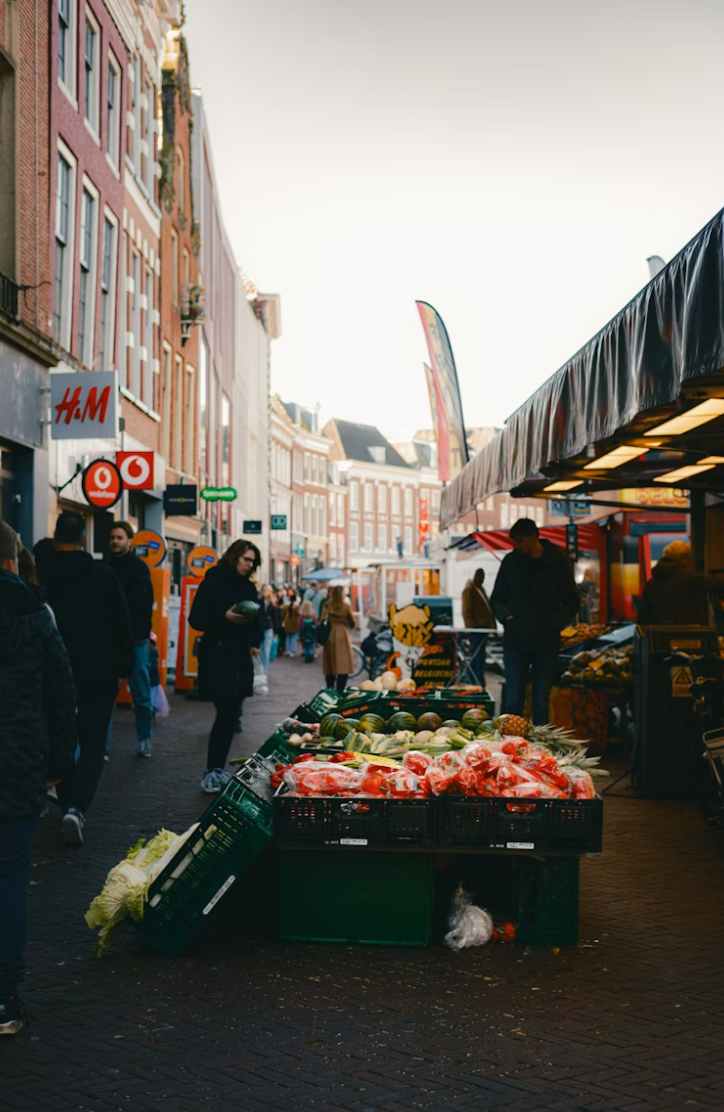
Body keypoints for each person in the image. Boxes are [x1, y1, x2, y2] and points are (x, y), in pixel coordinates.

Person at [0, 522, 77, 1034]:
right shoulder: (33, 610)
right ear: (12, 560)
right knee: (8, 877)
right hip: (17, 761)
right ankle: (4, 999)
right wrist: (57, 763)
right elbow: (61, 690)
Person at [37, 512, 134, 845]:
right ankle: (76, 808)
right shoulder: (102, 575)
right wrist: (125, 667)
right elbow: (122, 624)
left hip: (50, 673)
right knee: (93, 744)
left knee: (60, 741)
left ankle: (65, 799)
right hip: (98, 671)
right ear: (83, 539)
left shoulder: (40, 572)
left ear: (55, 535)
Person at [188, 540, 264, 793]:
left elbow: (257, 622)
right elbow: (196, 619)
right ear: (234, 558)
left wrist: (255, 637)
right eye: (246, 559)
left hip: (240, 662)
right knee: (225, 715)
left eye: (253, 561)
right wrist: (225, 617)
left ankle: (216, 770)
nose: (250, 565)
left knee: (230, 716)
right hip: (218, 659)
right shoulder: (212, 583)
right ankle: (213, 771)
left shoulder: (249, 588)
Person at [491, 518, 580, 726]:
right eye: (514, 542)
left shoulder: (557, 561)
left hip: (545, 641)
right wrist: (507, 618)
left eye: (521, 541)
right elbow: (496, 599)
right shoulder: (511, 562)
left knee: (541, 702)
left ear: (534, 537)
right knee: (513, 703)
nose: (517, 547)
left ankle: (540, 751)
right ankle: (509, 749)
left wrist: (554, 624)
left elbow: (572, 600)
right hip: (515, 640)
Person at [106, 521, 155, 757]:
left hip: (135, 640)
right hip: (112, 641)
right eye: (112, 537)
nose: (115, 541)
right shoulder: (105, 567)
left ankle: (144, 739)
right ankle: (101, 745)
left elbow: (143, 604)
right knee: (105, 696)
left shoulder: (139, 568)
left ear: (129, 541)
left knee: (141, 695)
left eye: (119, 537)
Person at [638, 541, 722, 625]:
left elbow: (643, 619)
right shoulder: (691, 579)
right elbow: (718, 584)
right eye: (689, 559)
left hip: (660, 636)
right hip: (690, 635)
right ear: (684, 560)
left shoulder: (651, 584)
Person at [461, 568, 496, 686]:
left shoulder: (480, 589)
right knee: (477, 656)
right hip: (476, 629)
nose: (482, 580)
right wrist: (472, 627)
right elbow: (467, 611)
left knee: (479, 656)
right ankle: (475, 680)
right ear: (475, 576)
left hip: (482, 629)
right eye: (480, 577)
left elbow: (488, 609)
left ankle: (476, 680)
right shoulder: (469, 591)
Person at [321, 585, 356, 692]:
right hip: (342, 635)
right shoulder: (346, 606)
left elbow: (322, 620)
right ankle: (340, 691)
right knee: (343, 664)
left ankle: (330, 689)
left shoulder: (327, 606)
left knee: (330, 664)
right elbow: (352, 623)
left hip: (330, 635)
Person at [259, 584, 279, 674]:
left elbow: (275, 618)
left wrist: (276, 631)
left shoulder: (272, 602)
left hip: (269, 628)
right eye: (263, 590)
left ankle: (265, 672)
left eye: (266, 590)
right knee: (259, 652)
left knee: (266, 652)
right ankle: (260, 670)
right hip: (259, 628)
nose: (264, 592)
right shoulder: (258, 602)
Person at [284, 591, 301, 656]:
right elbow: (299, 614)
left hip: (287, 623)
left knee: (288, 637)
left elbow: (283, 614)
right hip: (294, 623)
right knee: (293, 637)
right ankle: (292, 650)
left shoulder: (286, 605)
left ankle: (288, 649)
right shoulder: (297, 606)